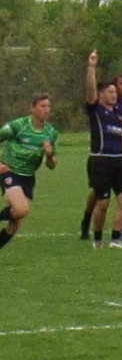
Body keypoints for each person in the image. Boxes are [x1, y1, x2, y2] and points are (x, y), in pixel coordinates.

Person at [85, 50, 122, 249]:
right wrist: (92, 66)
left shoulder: (118, 114)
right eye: (111, 92)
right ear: (101, 95)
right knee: (103, 204)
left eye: (115, 92)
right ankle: (98, 238)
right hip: (100, 161)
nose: (115, 95)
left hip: (119, 161)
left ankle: (116, 238)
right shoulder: (96, 111)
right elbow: (91, 90)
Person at [0, 94, 59, 251]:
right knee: (21, 209)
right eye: (42, 106)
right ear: (32, 108)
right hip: (9, 171)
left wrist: (50, 155)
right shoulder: (18, 126)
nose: (47, 110)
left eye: (49, 106)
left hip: (28, 177)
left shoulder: (50, 132)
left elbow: (52, 165)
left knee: (16, 222)